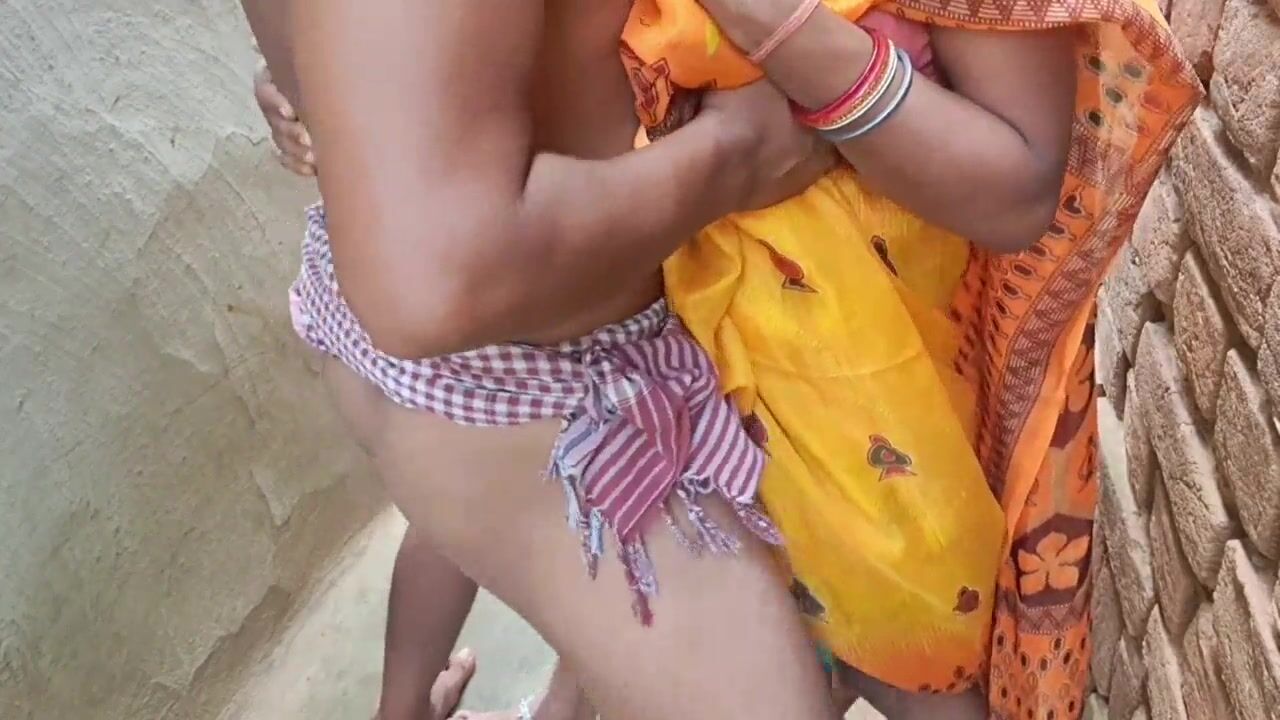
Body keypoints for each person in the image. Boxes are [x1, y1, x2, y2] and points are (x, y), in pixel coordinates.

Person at [246, 0, 1198, 716]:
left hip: (775, 360)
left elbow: (1015, 185)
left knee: (891, 635)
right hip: (566, 384)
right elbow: (433, 272)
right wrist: (734, 156)